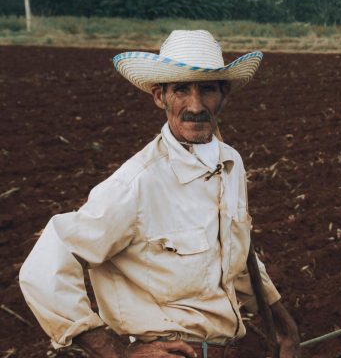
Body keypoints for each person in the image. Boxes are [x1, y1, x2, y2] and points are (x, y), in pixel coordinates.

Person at [19, 30, 301, 358]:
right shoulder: (137, 183)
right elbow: (44, 265)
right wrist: (117, 354)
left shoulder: (230, 163)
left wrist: (284, 325)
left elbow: (238, 255)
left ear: (224, 95)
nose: (195, 106)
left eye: (207, 89)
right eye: (181, 89)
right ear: (159, 96)